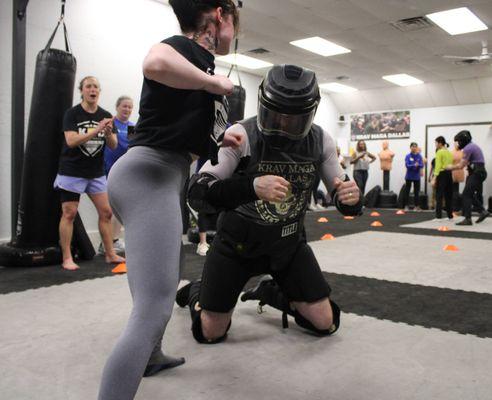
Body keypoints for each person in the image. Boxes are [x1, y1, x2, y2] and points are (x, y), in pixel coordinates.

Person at [98, 2, 240, 399]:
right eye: (234, 22)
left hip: (158, 178)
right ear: (218, 15)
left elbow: (176, 121)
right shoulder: (185, 49)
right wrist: (214, 85)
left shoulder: (200, 63)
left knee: (166, 273)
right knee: (154, 306)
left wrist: (221, 136)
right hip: (149, 177)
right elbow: (154, 61)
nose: (235, 32)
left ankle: (152, 354)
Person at [176, 64, 362, 345]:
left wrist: (351, 199)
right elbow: (198, 193)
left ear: (309, 115)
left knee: (326, 322)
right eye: (275, 117)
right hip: (236, 247)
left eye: (294, 120)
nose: (284, 126)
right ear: (263, 105)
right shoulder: (241, 134)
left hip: (287, 247)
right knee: (211, 332)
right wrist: (251, 186)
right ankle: (197, 292)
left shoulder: (320, 139)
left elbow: (341, 193)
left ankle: (272, 291)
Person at [53, 76, 125, 271]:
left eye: (96, 87)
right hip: (72, 170)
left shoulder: (106, 115)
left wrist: (108, 132)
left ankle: (110, 253)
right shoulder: (72, 114)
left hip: (95, 172)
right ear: (82, 91)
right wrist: (97, 129)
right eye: (88, 86)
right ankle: (67, 257)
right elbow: (71, 141)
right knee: (69, 213)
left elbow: (113, 145)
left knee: (106, 212)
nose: (92, 89)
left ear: (99, 92)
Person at [98, 96, 135, 255]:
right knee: (107, 209)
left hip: (126, 171)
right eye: (124, 106)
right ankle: (106, 243)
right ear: (117, 107)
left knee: (121, 207)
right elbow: (112, 145)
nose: (127, 109)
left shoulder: (133, 126)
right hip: (109, 170)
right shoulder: (110, 123)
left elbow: (133, 147)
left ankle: (114, 239)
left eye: (129, 107)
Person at [446, 130, 489, 225]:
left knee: (466, 195)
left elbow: (461, 166)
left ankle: (468, 219)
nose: (458, 144)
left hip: (477, 172)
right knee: (469, 194)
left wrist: (449, 167)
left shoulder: (468, 148)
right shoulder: (473, 146)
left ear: (463, 140)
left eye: (459, 141)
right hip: (478, 172)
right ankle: (483, 211)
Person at [432, 136, 453, 220]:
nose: (435, 145)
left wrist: (434, 178)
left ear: (440, 143)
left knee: (439, 195)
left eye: (436, 143)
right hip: (449, 174)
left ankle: (438, 216)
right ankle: (450, 216)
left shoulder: (439, 152)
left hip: (441, 174)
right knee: (448, 195)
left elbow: (438, 166)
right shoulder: (449, 152)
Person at [402, 142, 423, 210]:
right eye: (413, 146)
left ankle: (416, 206)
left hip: (416, 176)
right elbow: (407, 165)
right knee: (407, 191)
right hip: (409, 176)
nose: (414, 148)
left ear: (417, 148)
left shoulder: (419, 156)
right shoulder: (408, 156)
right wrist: (414, 165)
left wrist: (418, 165)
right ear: (410, 147)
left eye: (415, 147)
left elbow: (422, 165)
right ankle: (406, 206)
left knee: (416, 192)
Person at [451, 142, 465, 213]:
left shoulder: (462, 152)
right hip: (454, 171)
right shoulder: (452, 152)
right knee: (454, 190)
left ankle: (456, 206)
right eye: (455, 144)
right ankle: (454, 206)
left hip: (459, 171)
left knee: (455, 190)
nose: (457, 145)